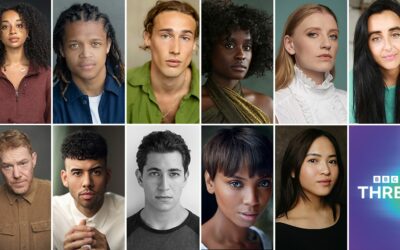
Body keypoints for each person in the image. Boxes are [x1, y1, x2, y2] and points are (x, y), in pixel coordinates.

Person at [127, 0, 199, 123]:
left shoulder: (206, 91)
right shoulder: (124, 86)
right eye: (165, 36)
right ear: (148, 38)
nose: (175, 50)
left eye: (185, 38)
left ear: (194, 44)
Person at [202, 1, 273, 124]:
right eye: (229, 45)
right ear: (208, 48)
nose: (241, 55)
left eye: (247, 47)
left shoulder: (264, 103)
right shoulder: (196, 103)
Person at [201, 127, 273, 249]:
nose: (252, 200)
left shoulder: (263, 240)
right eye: (236, 184)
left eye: (264, 183)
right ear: (210, 182)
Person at [53, 3, 124, 124]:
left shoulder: (128, 91)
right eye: (74, 45)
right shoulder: (52, 104)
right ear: (62, 49)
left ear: (108, 45)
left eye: (95, 44)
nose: (86, 54)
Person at [275, 4, 347, 124]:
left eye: (333, 36)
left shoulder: (349, 101)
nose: (327, 44)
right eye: (313, 34)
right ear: (290, 45)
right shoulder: (278, 106)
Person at [127, 130, 199, 249]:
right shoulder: (124, 232)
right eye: (155, 173)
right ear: (140, 178)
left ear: (185, 178)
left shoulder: (202, 234)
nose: (164, 186)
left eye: (174, 174)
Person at [53, 130, 124, 250]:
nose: (87, 183)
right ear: (65, 178)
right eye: (77, 173)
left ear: (107, 176)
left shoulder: (126, 214)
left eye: (96, 172)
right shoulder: (51, 212)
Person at [276, 128, 346, 250]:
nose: (326, 170)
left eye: (332, 161)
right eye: (313, 160)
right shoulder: (279, 233)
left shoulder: (350, 215)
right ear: (293, 169)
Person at [0, 129, 50, 249]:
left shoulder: (52, 194)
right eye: (7, 166)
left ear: (34, 159)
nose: (16, 174)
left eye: (23, 163)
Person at [0, 3, 50, 123]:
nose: (13, 31)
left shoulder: (45, 74)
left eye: (19, 25)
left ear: (28, 32)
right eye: (5, 27)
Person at [351, 0, 400, 123]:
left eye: (395, 35)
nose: (388, 47)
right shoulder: (352, 83)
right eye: (376, 38)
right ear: (366, 46)